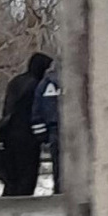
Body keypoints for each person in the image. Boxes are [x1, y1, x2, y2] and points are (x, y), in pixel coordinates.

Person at [0, 53, 52, 196]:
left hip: (9, 135)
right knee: (26, 177)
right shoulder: (36, 85)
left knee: (12, 177)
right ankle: (22, 207)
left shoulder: (16, 82)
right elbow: (36, 112)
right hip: (27, 138)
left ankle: (9, 206)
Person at [31, 62, 63, 193]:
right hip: (76, 132)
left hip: (54, 130)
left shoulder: (45, 84)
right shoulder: (81, 82)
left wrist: (41, 135)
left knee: (60, 168)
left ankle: (60, 194)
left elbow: (37, 110)